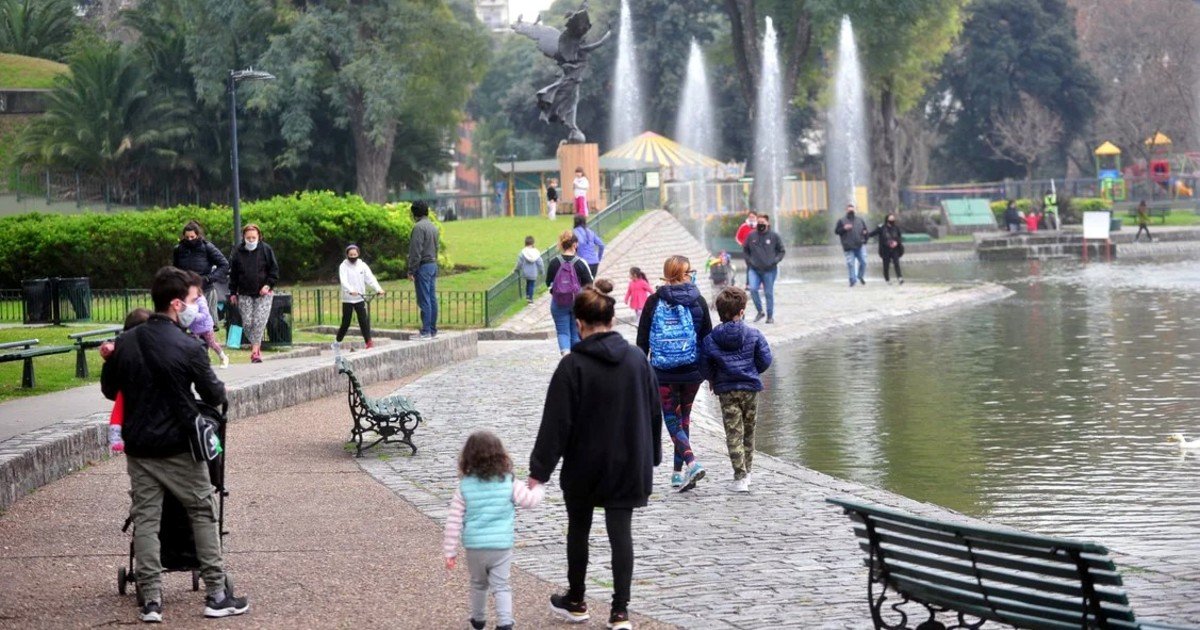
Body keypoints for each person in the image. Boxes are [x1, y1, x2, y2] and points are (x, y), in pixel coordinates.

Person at [100, 266, 247, 623]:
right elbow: (213, 393)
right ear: (177, 303)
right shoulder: (188, 346)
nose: (198, 306)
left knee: (147, 519)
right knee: (202, 511)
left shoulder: (126, 342)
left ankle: (151, 600)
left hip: (140, 446)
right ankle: (216, 592)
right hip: (180, 444)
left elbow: (109, 390)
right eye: (195, 300)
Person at [529, 283, 662, 630]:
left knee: (579, 530)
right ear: (612, 318)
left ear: (579, 323)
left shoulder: (572, 366)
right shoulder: (637, 360)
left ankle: (576, 599)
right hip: (629, 462)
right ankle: (620, 612)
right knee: (622, 534)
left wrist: (538, 471)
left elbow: (556, 423)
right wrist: (653, 456)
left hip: (584, 464)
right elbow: (653, 411)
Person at [443, 431, 545, 630]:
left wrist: (450, 551)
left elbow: (453, 521)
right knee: (501, 586)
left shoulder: (463, 487)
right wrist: (539, 487)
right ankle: (505, 622)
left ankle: (478, 620)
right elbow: (530, 501)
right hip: (501, 547)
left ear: (467, 458)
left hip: (475, 547)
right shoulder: (509, 482)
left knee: (478, 584)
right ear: (501, 456)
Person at [636, 255, 713, 492]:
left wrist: (641, 373)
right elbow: (707, 339)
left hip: (662, 372)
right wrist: (710, 373)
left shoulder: (653, 301)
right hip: (692, 372)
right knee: (684, 418)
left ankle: (689, 463)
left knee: (672, 419)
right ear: (685, 273)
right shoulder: (698, 300)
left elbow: (642, 341)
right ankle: (677, 473)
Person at [698, 287, 772, 493]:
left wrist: (713, 378)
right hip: (750, 389)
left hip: (726, 390)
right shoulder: (754, 334)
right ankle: (748, 472)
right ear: (742, 311)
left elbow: (704, 365)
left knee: (733, 432)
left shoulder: (711, 339)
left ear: (720, 313)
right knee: (749, 431)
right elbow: (765, 359)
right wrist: (752, 371)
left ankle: (739, 476)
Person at [100, 307, 153, 453]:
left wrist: (109, 361)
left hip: (134, 427)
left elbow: (109, 390)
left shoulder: (122, 352)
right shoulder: (159, 350)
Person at [227, 224, 279, 364]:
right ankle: (256, 346)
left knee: (259, 321)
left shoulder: (266, 249)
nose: (251, 240)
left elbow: (274, 271)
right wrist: (232, 292)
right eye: (248, 238)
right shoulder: (238, 251)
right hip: (244, 293)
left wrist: (267, 285)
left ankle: (255, 351)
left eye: (253, 237)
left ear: (259, 237)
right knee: (248, 322)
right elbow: (233, 275)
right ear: (244, 237)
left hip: (263, 294)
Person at [545, 231, 594, 355]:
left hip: (558, 302)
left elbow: (548, 283)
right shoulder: (581, 262)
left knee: (562, 332)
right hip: (577, 302)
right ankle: (576, 360)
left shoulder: (554, 262)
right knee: (575, 332)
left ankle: (566, 356)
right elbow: (589, 284)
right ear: (575, 244)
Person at [171, 220, 229, 310]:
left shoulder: (207, 247)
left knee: (208, 321)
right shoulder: (178, 249)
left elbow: (224, 265)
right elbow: (175, 270)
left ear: (197, 235)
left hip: (205, 290)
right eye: (187, 237)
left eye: (192, 237)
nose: (189, 240)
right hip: (186, 291)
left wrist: (209, 278)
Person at [336, 244, 384, 350]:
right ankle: (337, 342)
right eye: (351, 254)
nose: (353, 256)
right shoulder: (343, 266)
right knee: (346, 322)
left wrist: (378, 289)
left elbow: (370, 278)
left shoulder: (363, 265)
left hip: (360, 298)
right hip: (348, 299)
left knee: (363, 321)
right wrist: (351, 290)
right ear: (347, 255)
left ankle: (368, 342)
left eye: (355, 254)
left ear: (358, 254)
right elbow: (344, 281)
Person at [743, 214, 785, 322]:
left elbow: (781, 251)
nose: (760, 224)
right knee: (752, 289)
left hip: (769, 270)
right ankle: (760, 311)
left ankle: (770, 316)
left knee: (768, 293)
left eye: (763, 223)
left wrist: (775, 261)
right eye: (759, 222)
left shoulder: (774, 236)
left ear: (768, 223)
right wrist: (749, 261)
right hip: (754, 269)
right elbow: (745, 250)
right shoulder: (751, 236)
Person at [408, 200, 440, 339]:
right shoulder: (433, 227)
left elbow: (416, 251)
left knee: (424, 299)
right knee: (432, 298)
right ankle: (432, 329)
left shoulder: (419, 227)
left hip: (423, 266)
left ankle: (426, 330)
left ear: (415, 213)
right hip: (433, 264)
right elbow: (436, 248)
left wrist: (411, 270)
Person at [184, 272, 230, 369]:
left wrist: (193, 316)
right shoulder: (187, 300)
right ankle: (198, 362)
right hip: (195, 328)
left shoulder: (201, 300)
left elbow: (204, 314)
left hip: (206, 327)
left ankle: (223, 357)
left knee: (212, 343)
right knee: (194, 345)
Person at [835, 205, 869, 288]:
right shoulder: (841, 221)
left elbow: (865, 231)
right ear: (846, 211)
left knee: (864, 262)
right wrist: (844, 228)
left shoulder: (860, 220)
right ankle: (852, 280)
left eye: (852, 210)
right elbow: (836, 231)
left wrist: (865, 238)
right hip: (849, 246)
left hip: (860, 245)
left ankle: (860, 276)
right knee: (851, 264)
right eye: (849, 210)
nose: (851, 212)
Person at [867, 213, 905, 285]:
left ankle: (900, 277)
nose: (892, 220)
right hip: (885, 249)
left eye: (893, 219)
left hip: (895, 249)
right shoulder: (881, 227)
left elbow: (899, 237)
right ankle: (887, 279)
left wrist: (896, 243)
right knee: (886, 265)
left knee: (896, 263)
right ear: (887, 219)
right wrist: (865, 234)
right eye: (890, 218)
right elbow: (872, 233)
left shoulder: (896, 228)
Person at [514, 236, 545, 305]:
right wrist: (542, 271)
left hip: (525, 272)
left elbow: (519, 262)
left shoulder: (523, 252)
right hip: (533, 272)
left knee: (528, 283)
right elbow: (540, 263)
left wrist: (516, 269)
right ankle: (530, 299)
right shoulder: (536, 252)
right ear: (533, 243)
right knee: (531, 285)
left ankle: (527, 295)